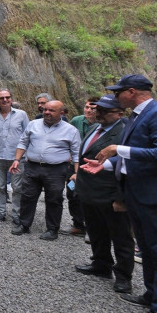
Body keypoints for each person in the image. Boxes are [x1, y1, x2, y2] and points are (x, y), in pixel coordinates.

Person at [89, 74, 157, 313]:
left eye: (117, 92)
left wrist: (117, 150)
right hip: (136, 193)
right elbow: (134, 155)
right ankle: (151, 295)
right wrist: (106, 164)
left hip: (154, 197)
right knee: (146, 249)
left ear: (132, 92)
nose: (114, 97)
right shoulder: (137, 116)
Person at [71, 95, 132, 294]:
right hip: (89, 191)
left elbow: (127, 168)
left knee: (121, 236)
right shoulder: (95, 128)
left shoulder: (124, 134)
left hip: (110, 194)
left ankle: (123, 276)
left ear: (120, 114)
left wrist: (120, 198)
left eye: (105, 111)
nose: (99, 114)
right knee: (96, 232)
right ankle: (101, 264)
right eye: (98, 110)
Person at [9, 100, 80, 240]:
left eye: (52, 110)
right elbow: (23, 142)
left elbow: (77, 152)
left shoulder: (71, 130)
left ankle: (52, 229)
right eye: (45, 110)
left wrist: (77, 173)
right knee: (27, 196)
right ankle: (24, 224)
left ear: (62, 112)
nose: (47, 112)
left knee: (54, 199)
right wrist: (17, 159)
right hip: (32, 166)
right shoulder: (33, 124)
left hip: (56, 169)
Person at [0, 89, 30, 223]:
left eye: (7, 97)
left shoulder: (21, 115)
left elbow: (27, 135)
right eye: (1, 98)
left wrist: (27, 154)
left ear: (11, 98)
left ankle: (16, 214)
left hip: (17, 158)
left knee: (17, 187)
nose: (5, 100)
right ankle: (1, 212)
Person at [62, 97, 101, 237]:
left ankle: (93, 228)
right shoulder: (77, 121)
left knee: (91, 197)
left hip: (95, 165)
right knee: (72, 194)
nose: (88, 110)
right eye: (87, 107)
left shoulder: (103, 123)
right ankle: (78, 225)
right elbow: (67, 137)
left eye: (93, 108)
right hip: (74, 164)